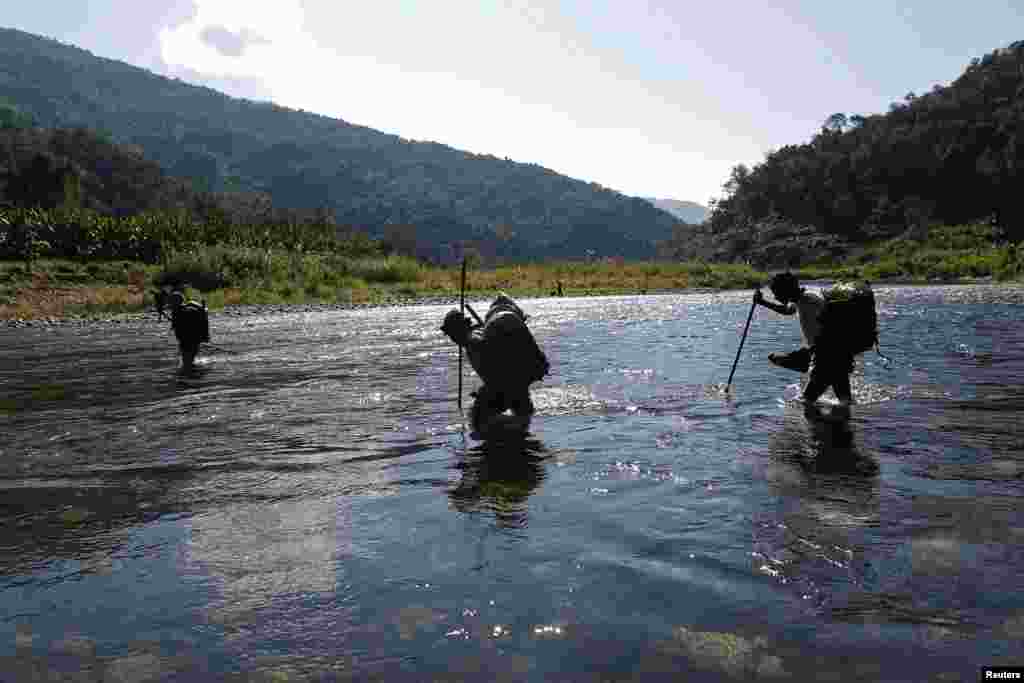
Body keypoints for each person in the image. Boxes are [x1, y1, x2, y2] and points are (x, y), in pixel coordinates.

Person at [441, 293, 550, 433]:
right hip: (517, 387)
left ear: (457, 330)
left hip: (504, 388)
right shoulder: (479, 333)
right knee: (522, 421)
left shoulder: (472, 339)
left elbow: (489, 352)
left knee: (477, 421)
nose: (452, 338)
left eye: (451, 333)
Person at [753, 272, 853, 404]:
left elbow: (833, 327)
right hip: (837, 356)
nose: (776, 297)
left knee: (806, 402)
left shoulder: (808, 301)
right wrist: (762, 302)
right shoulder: (801, 298)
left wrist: (810, 354)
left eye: (776, 293)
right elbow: (788, 311)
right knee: (845, 401)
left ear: (786, 290)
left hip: (828, 357)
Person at [168, 288, 210, 370]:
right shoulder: (176, 311)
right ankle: (191, 374)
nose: (170, 304)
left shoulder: (188, 310)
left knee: (187, 362)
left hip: (191, 340)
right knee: (187, 362)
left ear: (177, 301)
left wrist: (203, 337)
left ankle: (191, 376)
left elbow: (194, 325)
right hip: (184, 340)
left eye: (171, 301)